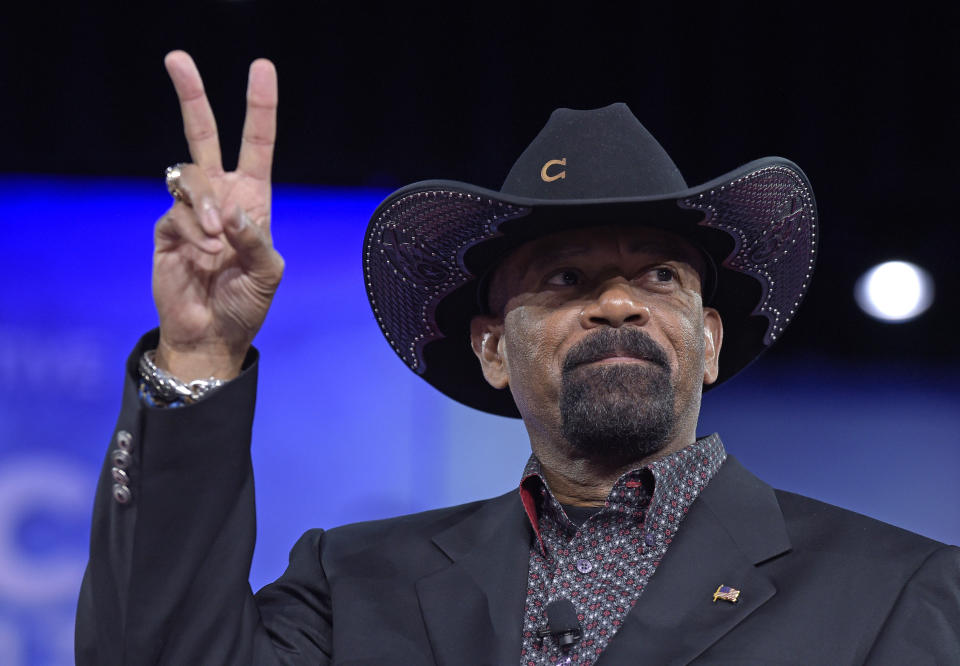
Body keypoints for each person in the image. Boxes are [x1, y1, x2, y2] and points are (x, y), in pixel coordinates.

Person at [76, 51, 960, 665]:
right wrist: (201, 349)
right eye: (567, 277)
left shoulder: (899, 592)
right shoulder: (357, 587)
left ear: (711, 342)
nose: (618, 302)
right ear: (493, 349)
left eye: (659, 275)